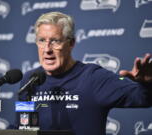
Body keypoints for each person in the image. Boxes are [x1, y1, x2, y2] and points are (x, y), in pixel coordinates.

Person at [19, 12, 152, 135]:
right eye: (42, 40)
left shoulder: (95, 78)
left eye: (55, 41)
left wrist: (147, 83)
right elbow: (23, 126)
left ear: (71, 43)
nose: (47, 49)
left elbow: (143, 98)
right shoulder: (30, 80)